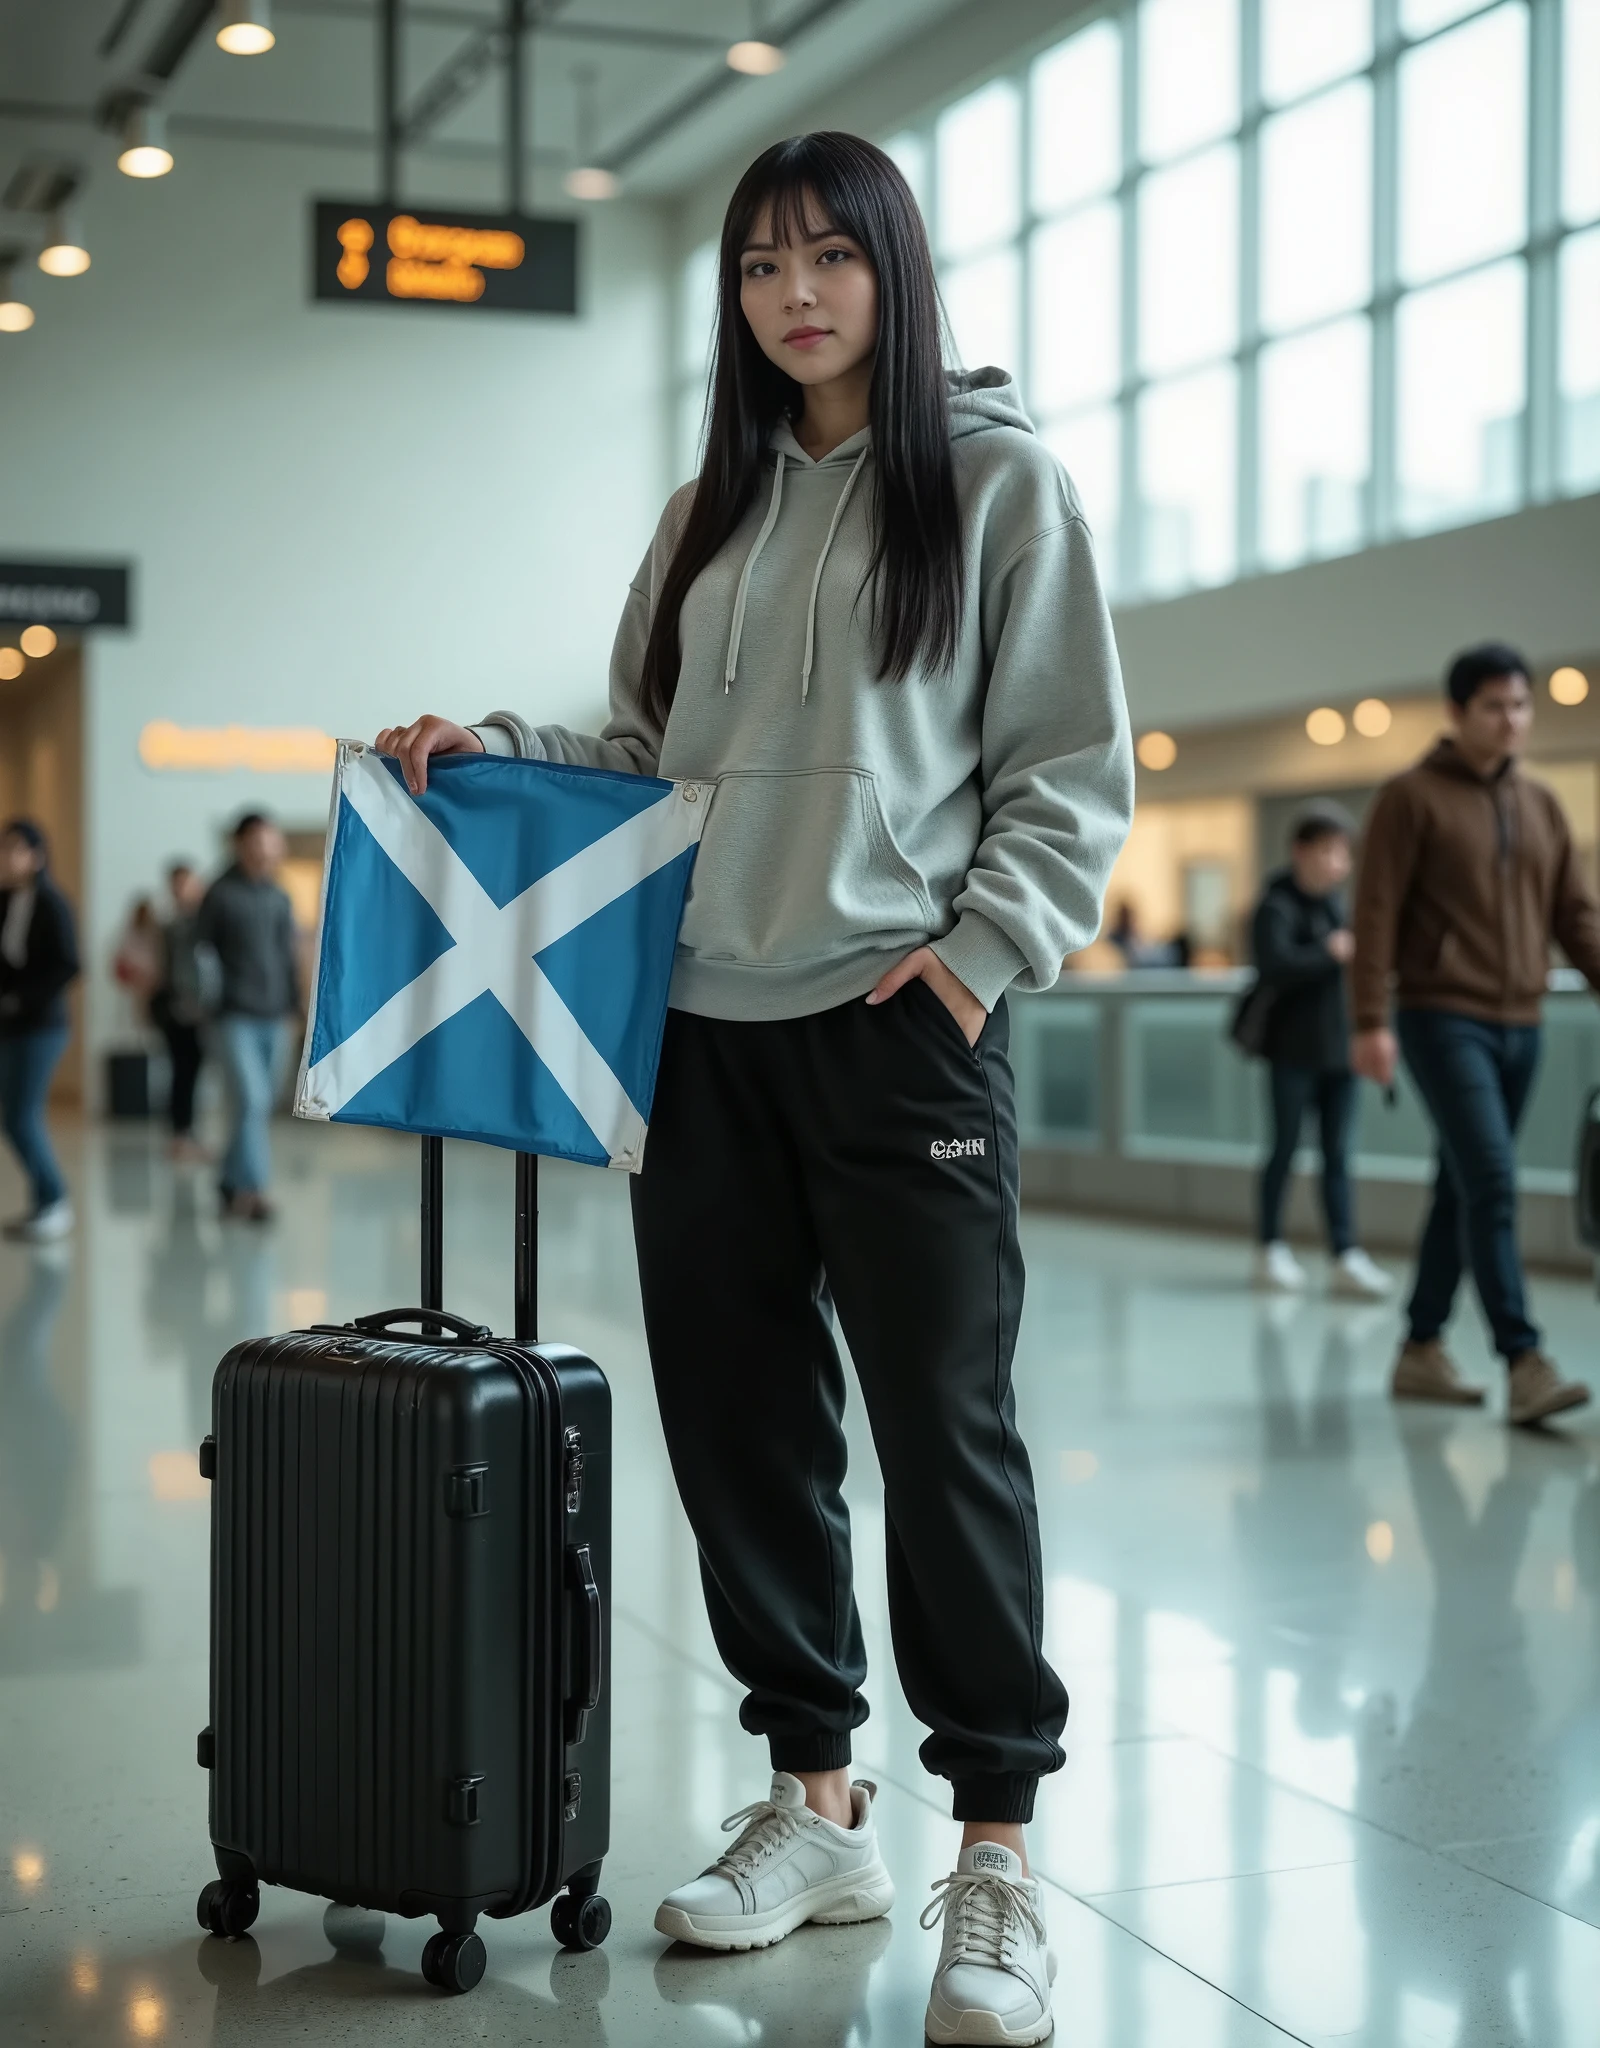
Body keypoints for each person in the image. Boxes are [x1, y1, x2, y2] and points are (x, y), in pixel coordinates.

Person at [376, 132, 1133, 2045]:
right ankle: (816, 1802)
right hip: (695, 1030)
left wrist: (972, 962)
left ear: (895, 268)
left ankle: (997, 1852)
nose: (794, 294)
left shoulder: (1000, 488)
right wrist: (499, 746)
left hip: (900, 1028)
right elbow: (645, 754)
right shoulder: (706, 511)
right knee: (743, 1433)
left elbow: (1067, 768)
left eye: (828, 259)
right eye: (759, 269)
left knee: (943, 1434)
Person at [1352, 642, 1600, 1425]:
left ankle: (1420, 1347)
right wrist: (1368, 1020)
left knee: (1461, 1183)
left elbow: (1575, 914)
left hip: (1522, 1023)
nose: (1512, 720)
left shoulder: (1542, 804)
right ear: (1458, 713)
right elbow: (1376, 914)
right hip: (1440, 1016)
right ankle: (1523, 1359)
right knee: (1492, 1177)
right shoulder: (1410, 797)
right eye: (1495, 706)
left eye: (1521, 705)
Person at [1253, 806, 1389, 1299]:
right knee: (1284, 1149)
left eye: (1343, 854)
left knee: (1338, 1155)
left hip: (1338, 1054)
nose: (1337, 864)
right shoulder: (1276, 905)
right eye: (1328, 851)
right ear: (1300, 851)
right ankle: (1269, 1247)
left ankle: (1345, 1254)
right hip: (1291, 1053)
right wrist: (1327, 953)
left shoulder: (1336, 907)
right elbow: (1274, 966)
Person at [196, 814, 298, 1223]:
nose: (265, 849)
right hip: (233, 1016)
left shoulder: (278, 896)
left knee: (257, 1106)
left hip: (275, 1016)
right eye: (257, 841)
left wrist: (295, 1007)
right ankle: (254, 1192)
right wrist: (204, 1003)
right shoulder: (219, 894)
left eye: (270, 841)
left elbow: (286, 954)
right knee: (252, 1101)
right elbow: (199, 954)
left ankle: (227, 1179)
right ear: (239, 844)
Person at [0, 820, 80, 1243]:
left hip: (42, 1026)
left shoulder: (52, 903)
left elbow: (68, 964)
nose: (6, 857)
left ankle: (54, 1200)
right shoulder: (7, 900)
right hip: (9, 1025)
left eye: (14, 849)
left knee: (20, 1117)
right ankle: (42, 1204)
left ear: (36, 856)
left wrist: (21, 998)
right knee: (14, 1116)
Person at [151, 861, 210, 1161]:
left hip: (203, 1010)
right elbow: (167, 969)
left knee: (192, 1072)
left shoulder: (205, 921)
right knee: (182, 1072)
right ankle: (181, 1133)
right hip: (177, 1010)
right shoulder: (170, 925)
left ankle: (186, 1132)